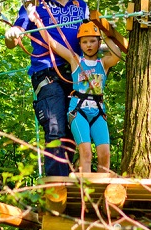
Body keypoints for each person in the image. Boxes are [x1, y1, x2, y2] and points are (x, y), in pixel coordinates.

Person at [4, 0, 88, 176]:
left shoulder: (81, 6)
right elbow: (14, 37)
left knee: (77, 131)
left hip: (77, 73)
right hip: (47, 72)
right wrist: (12, 34)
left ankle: (71, 186)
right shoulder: (34, 7)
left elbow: (91, 37)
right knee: (55, 129)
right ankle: (55, 189)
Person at [26, 10, 121, 173]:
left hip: (98, 111)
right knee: (86, 153)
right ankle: (86, 192)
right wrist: (37, 22)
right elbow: (52, 43)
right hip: (78, 110)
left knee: (105, 154)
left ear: (98, 42)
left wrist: (105, 32)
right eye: (85, 42)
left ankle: (102, 191)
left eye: (92, 41)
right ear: (80, 44)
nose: (89, 45)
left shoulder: (103, 63)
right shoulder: (75, 60)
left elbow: (117, 54)